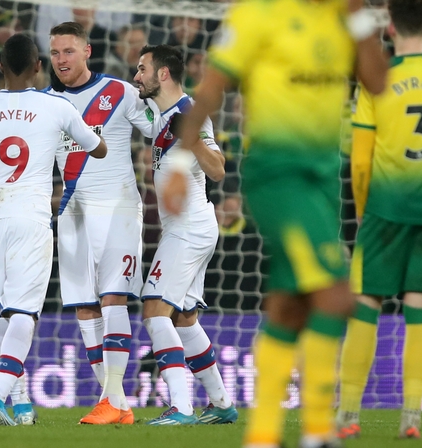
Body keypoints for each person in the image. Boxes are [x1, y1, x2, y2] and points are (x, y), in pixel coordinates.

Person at [163, 0, 389, 445]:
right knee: (337, 293)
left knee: (290, 306)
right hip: (277, 172)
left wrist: (360, 16)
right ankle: (319, 431)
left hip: (325, 177)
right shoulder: (258, 14)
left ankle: (263, 433)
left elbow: (379, 83)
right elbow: (211, 89)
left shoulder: (340, 17)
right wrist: (179, 164)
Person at [337, 0, 422, 440]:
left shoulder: (376, 80)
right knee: (419, 312)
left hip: (382, 209)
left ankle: (348, 416)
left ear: (390, 28)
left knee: (366, 308)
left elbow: (360, 162)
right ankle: (411, 418)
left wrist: (362, 211)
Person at [0, 33, 106, 425]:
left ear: (0, 67)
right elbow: (97, 148)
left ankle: (21, 405)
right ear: (39, 66)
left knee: (5, 311)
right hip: (31, 219)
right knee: (24, 312)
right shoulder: (56, 105)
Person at [46, 21, 153, 425]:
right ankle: (118, 404)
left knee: (113, 299)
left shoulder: (120, 92)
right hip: (72, 214)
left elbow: (160, 130)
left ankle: (111, 401)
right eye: (55, 53)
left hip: (119, 208)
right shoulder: (45, 103)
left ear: (87, 51)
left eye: (68, 51)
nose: (61, 60)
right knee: (85, 310)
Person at [133, 44, 236, 425]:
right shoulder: (161, 115)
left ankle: (181, 406)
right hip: (188, 227)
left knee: (154, 310)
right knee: (185, 319)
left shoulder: (190, 115)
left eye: (142, 69)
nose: (136, 75)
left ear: (163, 74)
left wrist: (190, 138)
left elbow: (218, 170)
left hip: (189, 229)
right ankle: (222, 404)